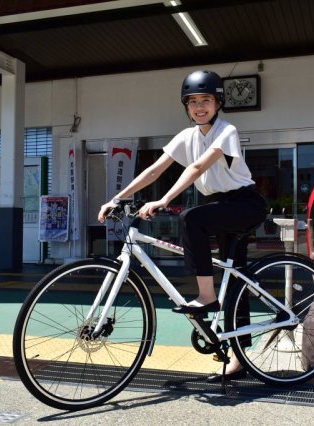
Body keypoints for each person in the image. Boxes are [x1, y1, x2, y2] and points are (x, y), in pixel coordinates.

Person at [98, 70, 266, 381]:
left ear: (218, 103)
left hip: (244, 204)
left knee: (191, 218)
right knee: (236, 282)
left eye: (206, 100)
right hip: (218, 205)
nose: (199, 107)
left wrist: (163, 200)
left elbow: (198, 166)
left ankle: (206, 297)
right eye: (193, 102)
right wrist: (117, 198)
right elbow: (154, 169)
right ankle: (240, 357)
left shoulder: (227, 131)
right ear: (185, 106)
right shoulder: (187, 136)